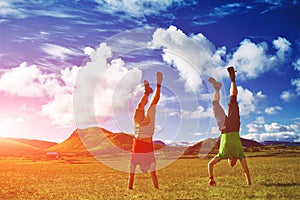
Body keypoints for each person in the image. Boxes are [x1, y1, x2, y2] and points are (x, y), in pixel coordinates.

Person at [207, 66, 251, 186]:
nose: (232, 165)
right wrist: (249, 183)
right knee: (233, 100)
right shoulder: (239, 154)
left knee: (214, 104)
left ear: (227, 161)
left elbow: (210, 164)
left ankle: (217, 88)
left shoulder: (222, 155)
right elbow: (246, 170)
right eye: (234, 164)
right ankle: (232, 79)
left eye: (230, 164)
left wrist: (211, 178)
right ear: (235, 161)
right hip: (234, 126)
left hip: (224, 129)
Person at [128, 72, 163, 190]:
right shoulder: (147, 160)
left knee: (142, 107)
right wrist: (156, 188)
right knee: (149, 106)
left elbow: (131, 176)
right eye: (146, 171)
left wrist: (130, 188)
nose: (145, 171)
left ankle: (148, 92)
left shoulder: (138, 160)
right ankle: (157, 86)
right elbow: (152, 174)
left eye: (144, 171)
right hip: (142, 131)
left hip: (142, 131)